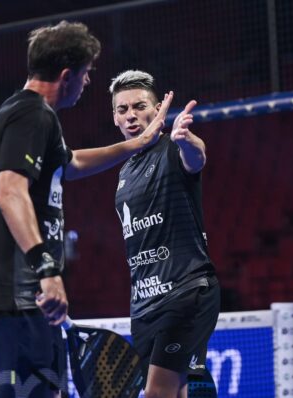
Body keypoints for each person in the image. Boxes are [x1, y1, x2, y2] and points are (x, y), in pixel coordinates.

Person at [0, 25, 172, 397]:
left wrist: (138, 143)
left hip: (2, 295)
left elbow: (69, 163)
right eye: (86, 72)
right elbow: (10, 193)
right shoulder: (33, 115)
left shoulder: (17, 112)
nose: (88, 81)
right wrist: (46, 270)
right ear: (66, 76)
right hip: (20, 294)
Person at [109, 70, 220, 398]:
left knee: (158, 393)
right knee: (182, 389)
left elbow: (196, 159)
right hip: (144, 306)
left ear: (157, 109)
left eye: (139, 106)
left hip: (185, 291)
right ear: (114, 117)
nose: (131, 115)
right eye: (122, 109)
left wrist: (188, 141)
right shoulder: (124, 169)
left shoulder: (172, 149)